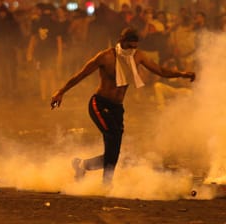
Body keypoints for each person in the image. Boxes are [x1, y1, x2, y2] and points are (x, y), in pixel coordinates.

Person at [50, 27, 195, 186]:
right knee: (112, 136)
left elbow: (160, 70)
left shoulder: (138, 56)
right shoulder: (105, 57)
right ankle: (107, 184)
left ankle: (82, 165)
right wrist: (61, 92)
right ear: (122, 42)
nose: (132, 49)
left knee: (113, 153)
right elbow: (81, 75)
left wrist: (181, 73)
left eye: (135, 46)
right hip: (99, 104)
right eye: (130, 46)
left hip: (117, 108)